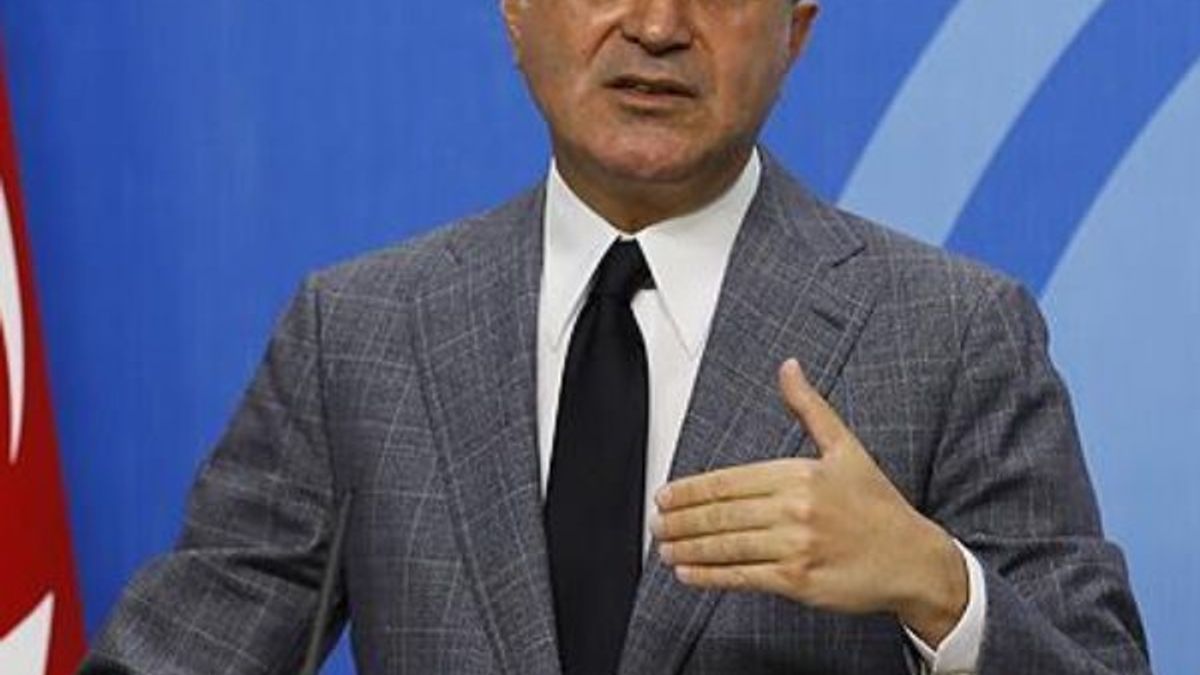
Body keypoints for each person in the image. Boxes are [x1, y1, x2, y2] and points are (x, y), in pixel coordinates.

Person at [82, 1, 1149, 673]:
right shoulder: (361, 332)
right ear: (514, 11)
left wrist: (939, 586)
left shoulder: (953, 334)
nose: (657, 25)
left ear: (798, 27)